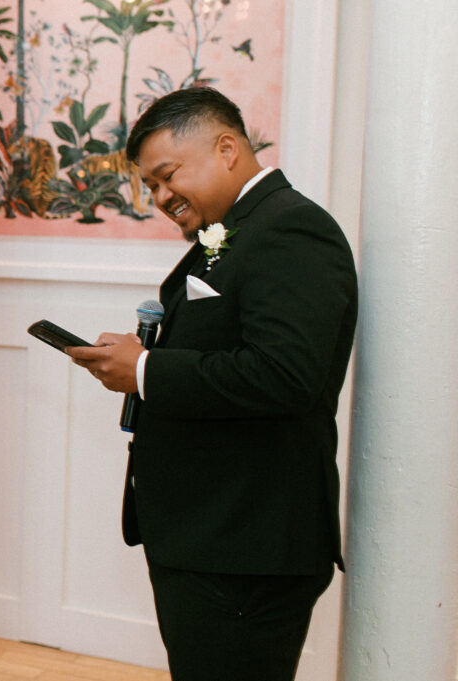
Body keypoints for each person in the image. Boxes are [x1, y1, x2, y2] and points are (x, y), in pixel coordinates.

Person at [67, 87, 357, 681]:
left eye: (168, 175)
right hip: (210, 538)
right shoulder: (236, 229)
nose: (161, 197)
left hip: (246, 546)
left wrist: (145, 370)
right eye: (150, 186)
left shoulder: (292, 228)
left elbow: (286, 375)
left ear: (226, 148)